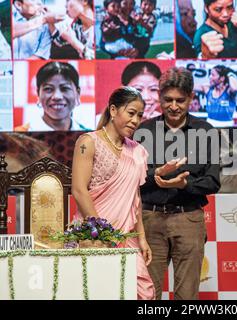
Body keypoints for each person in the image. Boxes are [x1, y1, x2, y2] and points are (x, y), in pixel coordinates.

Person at [135, 67, 220, 300]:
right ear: (159, 98)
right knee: (148, 294)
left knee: (187, 295)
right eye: (168, 100)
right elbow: (133, 179)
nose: (174, 106)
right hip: (150, 220)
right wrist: (157, 175)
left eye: (180, 100)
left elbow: (213, 182)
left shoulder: (205, 131)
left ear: (191, 98)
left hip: (188, 219)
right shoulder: (143, 130)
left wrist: (185, 185)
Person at [71, 86, 155, 300]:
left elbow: (135, 200)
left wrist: (142, 239)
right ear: (113, 110)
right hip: (92, 235)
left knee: (144, 293)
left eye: (140, 115)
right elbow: (79, 190)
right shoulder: (88, 142)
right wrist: (101, 233)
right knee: (99, 293)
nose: (136, 120)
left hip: (126, 236)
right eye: (131, 113)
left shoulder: (137, 151)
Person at [15, 61, 88, 131]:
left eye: (65, 88)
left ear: (77, 93)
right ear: (38, 93)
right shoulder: (19, 136)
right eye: (48, 89)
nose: (57, 96)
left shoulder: (89, 136)